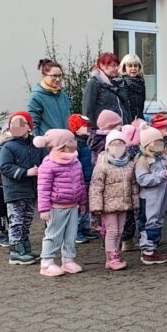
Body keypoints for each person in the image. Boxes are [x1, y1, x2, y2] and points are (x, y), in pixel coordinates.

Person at [34, 129, 87, 277]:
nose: (75, 143)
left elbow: (81, 182)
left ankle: (68, 260)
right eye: (71, 141)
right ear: (61, 144)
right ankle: (46, 262)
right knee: (53, 235)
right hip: (56, 207)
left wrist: (82, 201)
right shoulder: (48, 164)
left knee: (71, 235)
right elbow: (43, 188)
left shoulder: (76, 161)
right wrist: (44, 209)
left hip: (73, 206)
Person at [89, 129, 139, 271]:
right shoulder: (102, 165)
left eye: (121, 144)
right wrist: (96, 207)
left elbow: (133, 185)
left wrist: (135, 203)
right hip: (108, 205)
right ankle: (111, 258)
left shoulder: (129, 164)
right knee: (112, 230)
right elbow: (96, 187)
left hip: (123, 204)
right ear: (108, 147)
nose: (118, 148)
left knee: (120, 231)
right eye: (114, 144)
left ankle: (116, 254)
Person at [0, 112, 44, 266]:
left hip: (31, 191)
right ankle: (15, 252)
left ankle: (25, 248)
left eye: (21, 123)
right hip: (15, 191)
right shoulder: (8, 146)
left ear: (29, 127)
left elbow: (44, 160)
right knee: (16, 222)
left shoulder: (36, 146)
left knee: (26, 221)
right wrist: (26, 172)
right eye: (14, 124)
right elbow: (5, 167)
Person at [134, 127, 167, 265]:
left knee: (158, 221)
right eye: (156, 142)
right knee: (150, 222)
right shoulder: (143, 160)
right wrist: (159, 177)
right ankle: (147, 251)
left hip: (161, 196)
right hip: (149, 198)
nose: (159, 145)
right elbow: (142, 179)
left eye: (161, 142)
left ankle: (152, 247)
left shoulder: (161, 158)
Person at [68, 114, 97, 244]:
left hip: (90, 177)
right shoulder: (73, 143)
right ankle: (76, 231)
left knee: (87, 205)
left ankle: (85, 227)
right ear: (76, 128)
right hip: (80, 179)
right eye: (85, 126)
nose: (88, 128)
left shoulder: (90, 141)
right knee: (79, 206)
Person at [83, 53, 131, 128]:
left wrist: (129, 126)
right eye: (113, 65)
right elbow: (88, 110)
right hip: (103, 131)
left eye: (117, 65)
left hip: (123, 130)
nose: (116, 68)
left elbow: (126, 108)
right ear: (102, 66)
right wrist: (90, 131)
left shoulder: (120, 83)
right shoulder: (94, 83)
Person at [27, 59, 72, 136]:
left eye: (60, 75)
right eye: (54, 76)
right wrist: (38, 141)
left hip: (66, 140)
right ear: (44, 76)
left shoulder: (63, 96)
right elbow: (33, 124)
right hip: (47, 141)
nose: (58, 79)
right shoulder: (36, 97)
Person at [120, 54, 147, 122]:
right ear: (124, 67)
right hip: (126, 122)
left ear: (139, 67)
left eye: (135, 66)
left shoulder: (141, 83)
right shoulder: (121, 84)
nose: (133, 68)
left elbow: (141, 107)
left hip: (140, 120)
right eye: (130, 66)